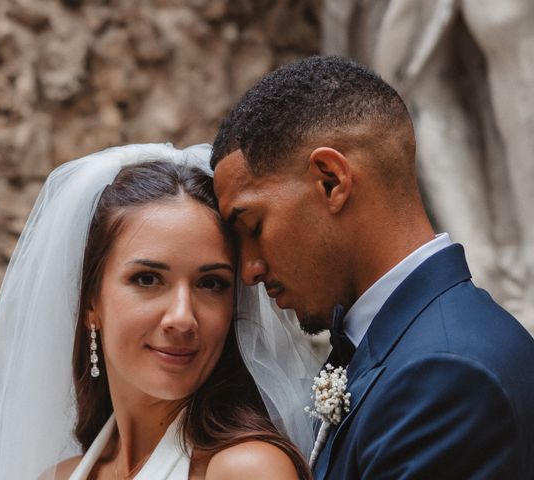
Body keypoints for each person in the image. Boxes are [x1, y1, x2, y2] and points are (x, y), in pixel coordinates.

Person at [211, 56, 534, 479]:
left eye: (253, 226)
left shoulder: (446, 375)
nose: (249, 270)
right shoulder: (400, 345)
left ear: (331, 181)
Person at [0, 144, 319, 479]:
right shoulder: (62, 475)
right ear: (91, 303)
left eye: (211, 284)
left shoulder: (245, 470)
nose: (182, 317)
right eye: (148, 279)